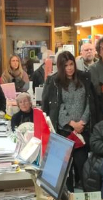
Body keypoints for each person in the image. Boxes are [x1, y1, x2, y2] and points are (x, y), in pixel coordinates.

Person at [41, 51, 97, 191]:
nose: (70, 68)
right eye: (66, 65)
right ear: (60, 67)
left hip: (82, 131)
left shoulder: (84, 77)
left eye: (71, 64)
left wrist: (82, 122)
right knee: (65, 169)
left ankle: (84, 199)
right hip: (63, 131)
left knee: (82, 165)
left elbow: (90, 102)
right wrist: (72, 124)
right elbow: (54, 107)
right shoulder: (53, 81)